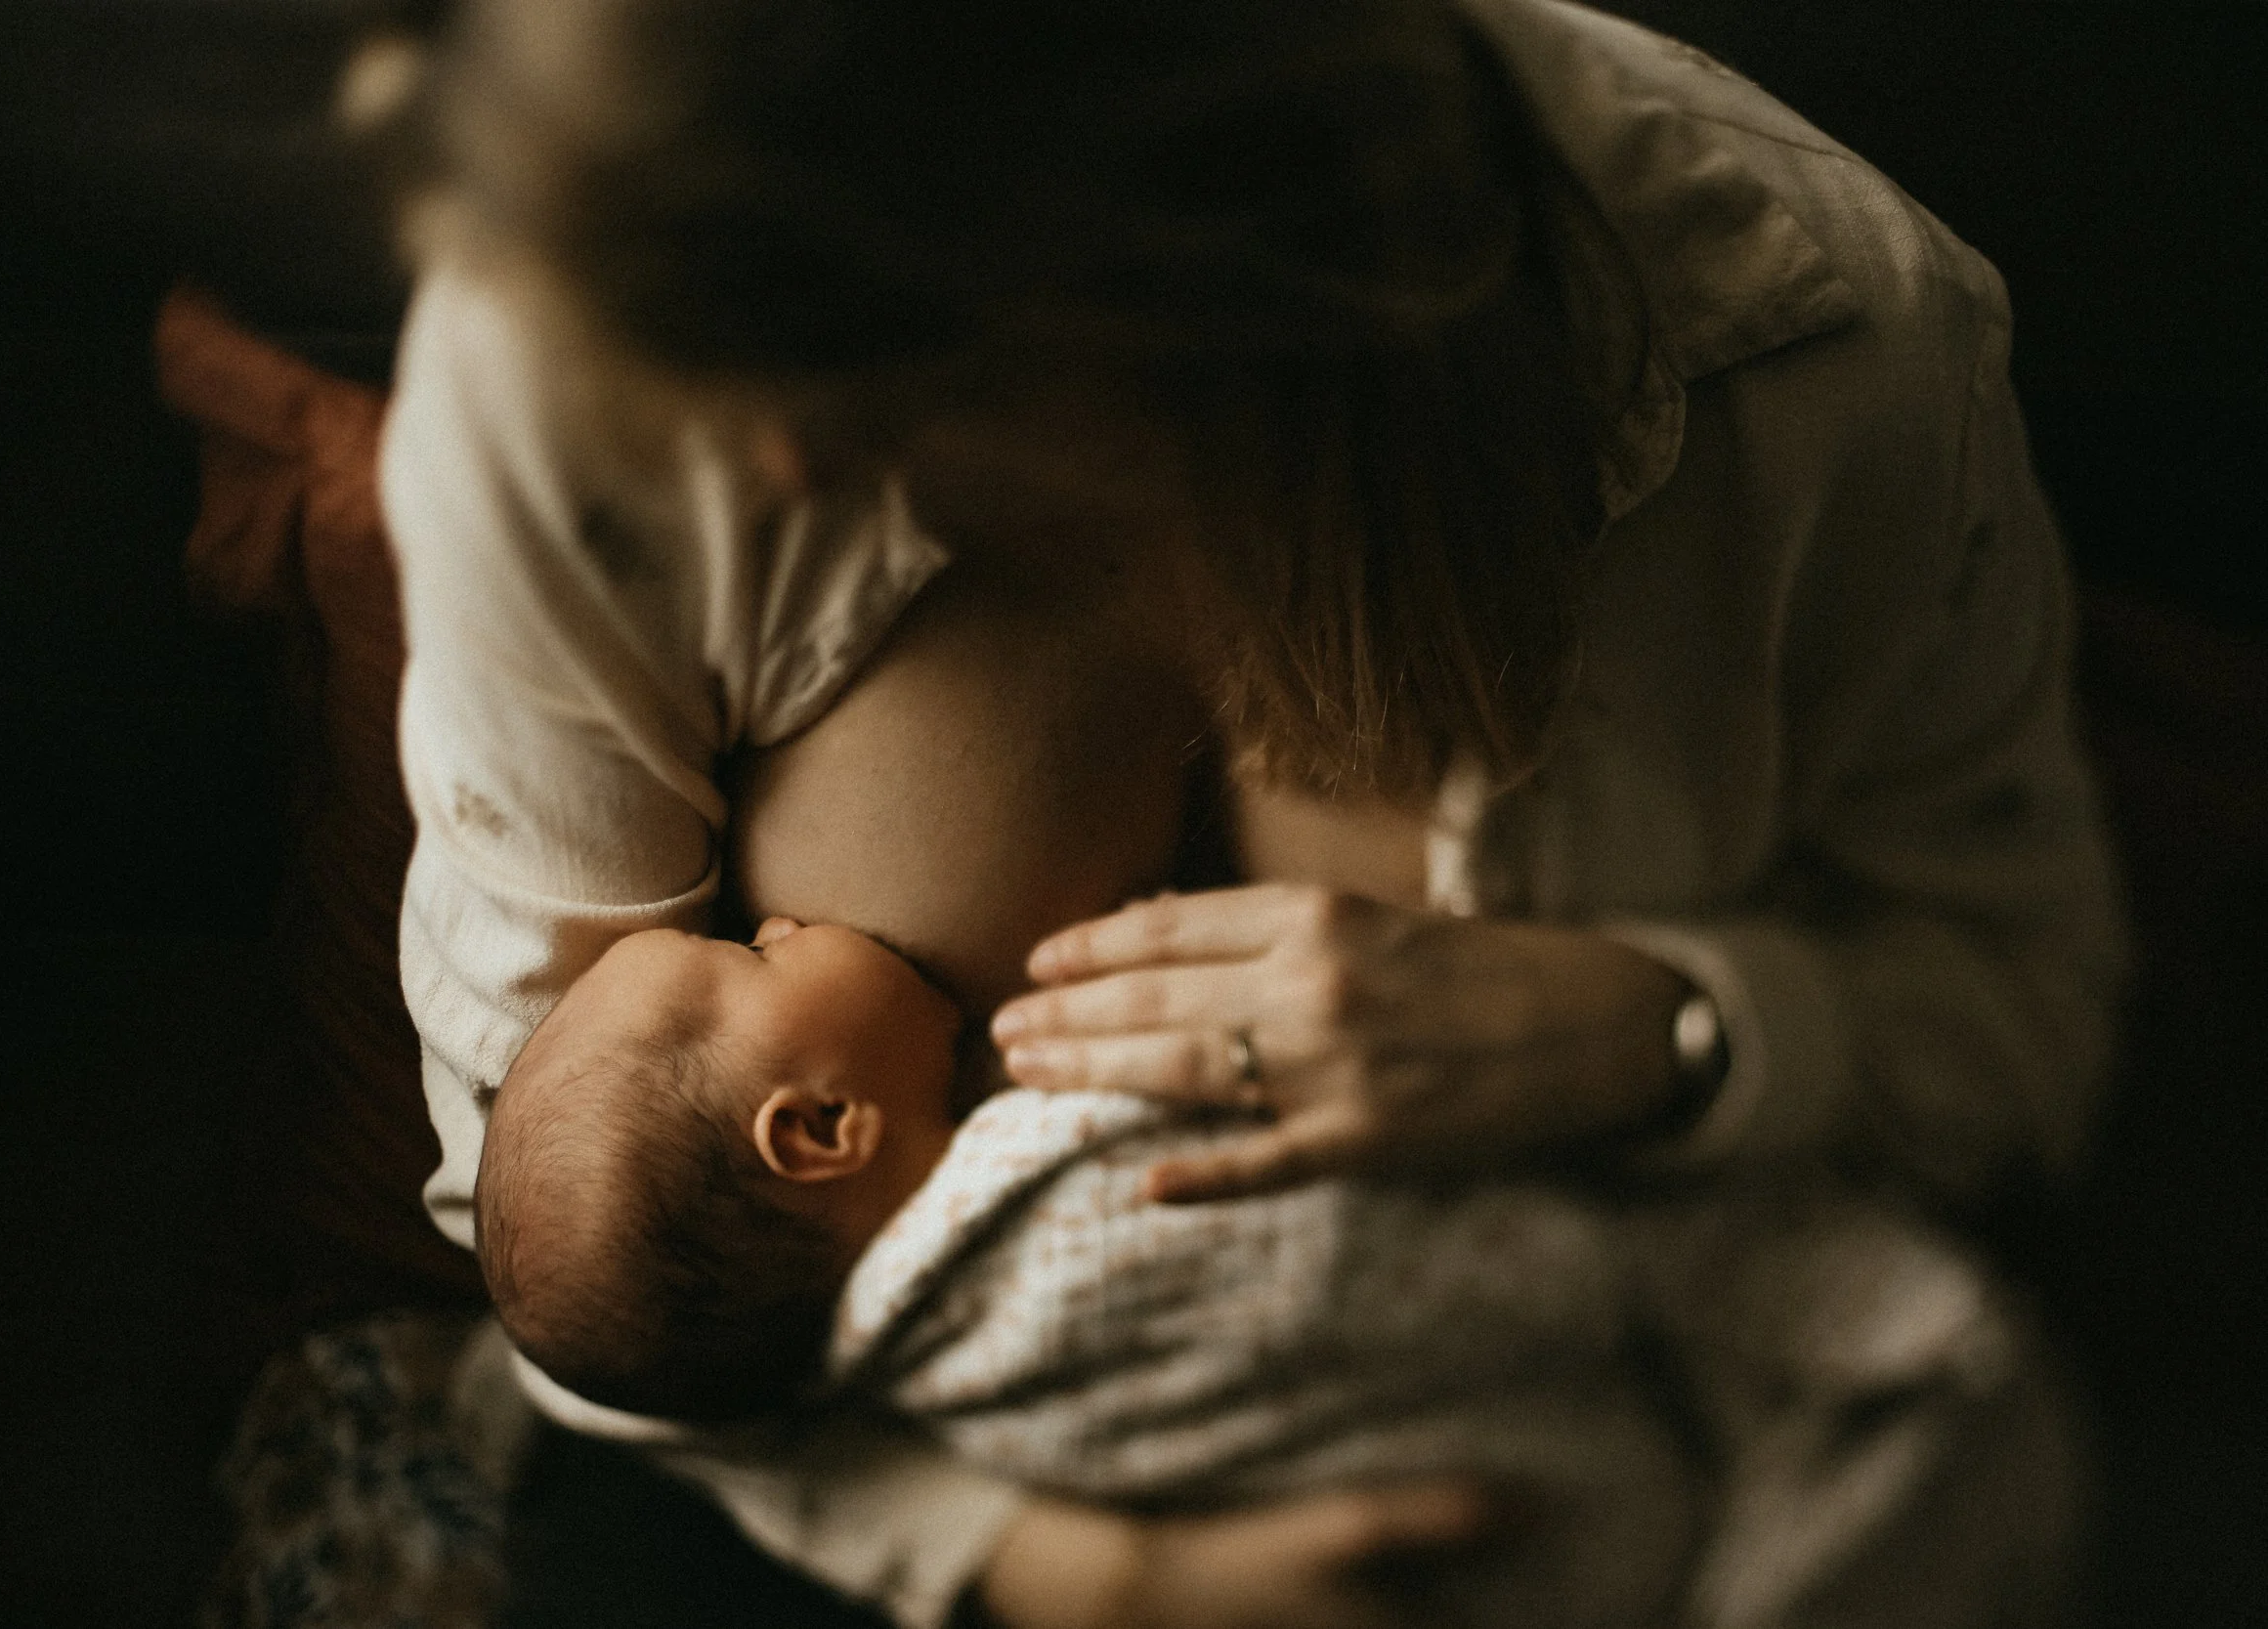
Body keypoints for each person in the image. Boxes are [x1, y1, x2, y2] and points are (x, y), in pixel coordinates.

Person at [378, 0, 2124, 1622]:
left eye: (864, 338)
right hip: (843, 1506)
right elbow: (556, 1216)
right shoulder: (582, 340)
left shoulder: (1831, 369)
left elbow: (2024, 1021)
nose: (778, 470)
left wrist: (1655, 1028)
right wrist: (1077, 1570)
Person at [476, 907, 2049, 1629]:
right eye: (754, 951)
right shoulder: (1064, 1184)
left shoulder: (933, 1387)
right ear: (816, 1127)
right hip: (1573, 1441)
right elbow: (1343, 1257)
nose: (789, 909)